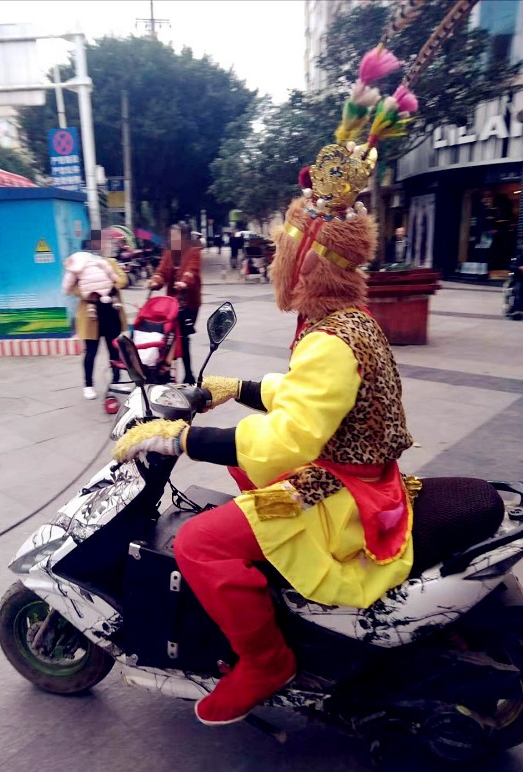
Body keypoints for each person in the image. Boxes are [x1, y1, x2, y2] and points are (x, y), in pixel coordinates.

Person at [112, 43, 419, 726]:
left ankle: (266, 661)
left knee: (199, 542)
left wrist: (182, 434)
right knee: (235, 509)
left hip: (341, 492)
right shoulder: (339, 322)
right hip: (350, 474)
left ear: (305, 261)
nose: (276, 256)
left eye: (284, 247)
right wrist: (233, 385)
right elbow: (301, 397)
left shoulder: (335, 338)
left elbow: (288, 440)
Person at [63, 232, 129, 400]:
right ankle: (88, 385)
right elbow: (74, 289)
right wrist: (89, 292)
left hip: (111, 311)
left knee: (114, 350)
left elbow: (123, 280)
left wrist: (108, 284)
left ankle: (116, 381)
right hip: (91, 315)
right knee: (91, 352)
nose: (102, 245)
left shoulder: (110, 263)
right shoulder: (80, 265)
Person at [148, 223, 202, 384]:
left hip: (189, 303)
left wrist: (184, 282)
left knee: (183, 337)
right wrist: (155, 281)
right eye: (171, 236)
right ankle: (164, 369)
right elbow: (161, 271)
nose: (173, 239)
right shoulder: (169, 253)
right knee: (167, 335)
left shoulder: (194, 252)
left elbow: (192, 270)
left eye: (176, 236)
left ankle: (189, 374)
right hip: (172, 303)